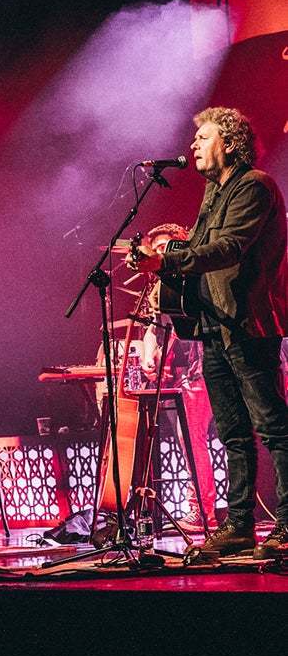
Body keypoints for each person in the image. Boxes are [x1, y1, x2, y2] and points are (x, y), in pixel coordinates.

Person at [128, 107, 288, 559]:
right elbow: (195, 248)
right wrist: (155, 257)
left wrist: (168, 262)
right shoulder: (213, 194)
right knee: (233, 433)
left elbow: (228, 248)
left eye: (204, 136)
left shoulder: (254, 185)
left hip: (249, 325)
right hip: (215, 328)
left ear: (230, 144)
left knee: (273, 426)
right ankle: (239, 525)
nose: (194, 144)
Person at [136, 223, 217, 534]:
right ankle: (202, 510)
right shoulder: (161, 287)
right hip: (186, 376)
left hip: (205, 367)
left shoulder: (197, 278)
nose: (160, 257)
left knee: (197, 439)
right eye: (155, 252)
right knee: (191, 440)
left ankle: (204, 511)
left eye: (167, 249)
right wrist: (148, 355)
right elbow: (153, 329)